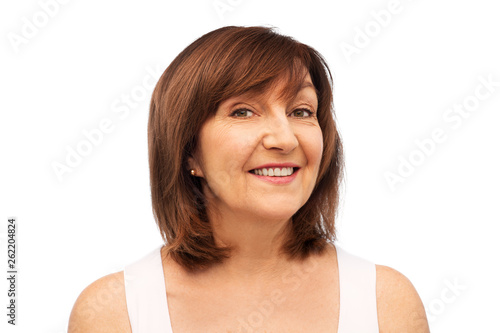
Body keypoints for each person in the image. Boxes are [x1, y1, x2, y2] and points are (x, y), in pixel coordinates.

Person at [68, 26, 430, 332]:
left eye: (301, 111)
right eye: (243, 111)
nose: (285, 139)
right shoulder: (114, 313)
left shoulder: (387, 305)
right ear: (189, 151)